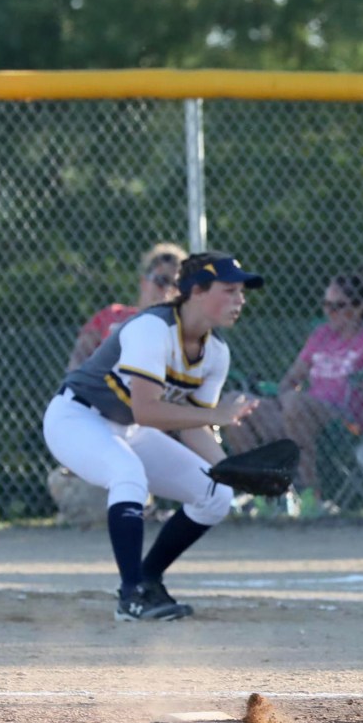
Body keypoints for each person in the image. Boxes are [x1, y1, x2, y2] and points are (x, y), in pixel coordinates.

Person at [42, 251, 263, 621]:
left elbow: (192, 426)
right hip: (75, 418)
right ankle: (130, 597)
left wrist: (233, 471)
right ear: (196, 291)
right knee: (128, 474)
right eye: (229, 290)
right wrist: (217, 416)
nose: (240, 299)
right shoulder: (152, 328)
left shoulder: (216, 353)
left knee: (216, 495)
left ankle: (148, 579)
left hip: (128, 429)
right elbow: (147, 410)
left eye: (241, 291)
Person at [223, 265, 363, 509]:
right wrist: (277, 399)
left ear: (359, 308)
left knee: (296, 404)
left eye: (337, 306)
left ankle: (308, 494)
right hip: (299, 416)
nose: (329, 312)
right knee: (234, 403)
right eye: (326, 305)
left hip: (343, 421)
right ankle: (263, 490)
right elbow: (292, 379)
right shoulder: (321, 335)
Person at [67, 242, 188, 371]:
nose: (168, 290)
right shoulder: (113, 315)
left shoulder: (179, 332)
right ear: (144, 282)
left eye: (176, 285)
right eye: (162, 280)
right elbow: (78, 359)